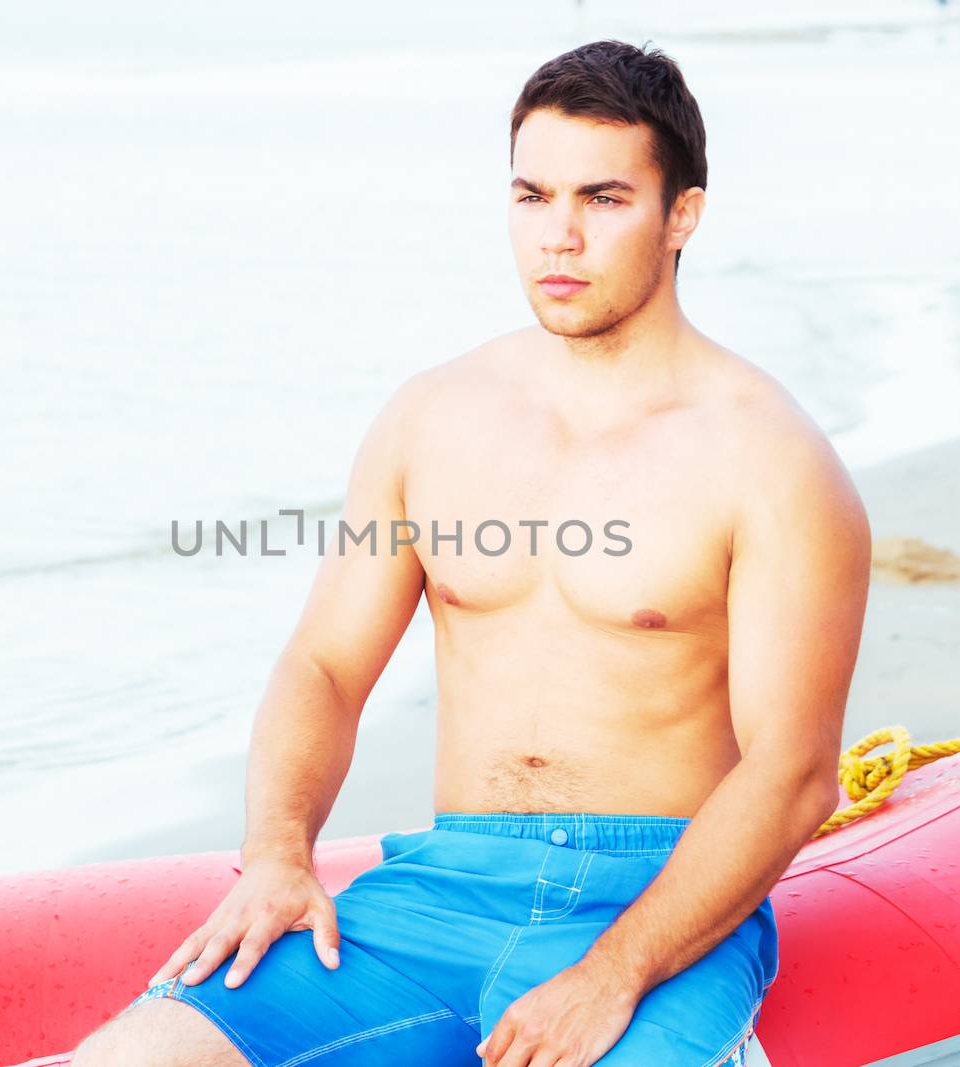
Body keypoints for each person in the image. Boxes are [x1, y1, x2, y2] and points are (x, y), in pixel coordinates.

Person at [73, 37, 871, 1067]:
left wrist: (608, 974)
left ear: (682, 215)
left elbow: (794, 772)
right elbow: (323, 663)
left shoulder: (772, 460)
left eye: (604, 199)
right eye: (532, 196)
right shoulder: (433, 419)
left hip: (659, 904)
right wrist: (277, 853)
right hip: (437, 888)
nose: (560, 238)